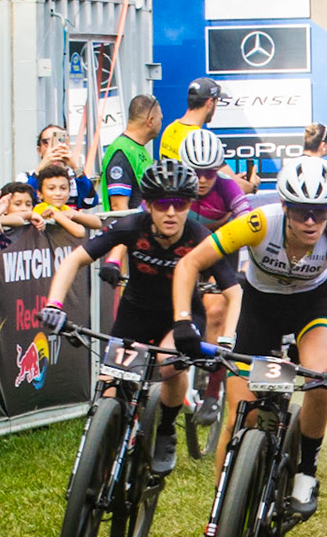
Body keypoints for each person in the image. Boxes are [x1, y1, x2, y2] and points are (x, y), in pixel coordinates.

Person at [173, 157, 327, 537]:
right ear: (284, 206)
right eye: (301, 211)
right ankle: (216, 524)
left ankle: (305, 469)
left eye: (319, 212)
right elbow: (190, 262)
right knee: (236, 418)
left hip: (313, 307)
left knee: (319, 378)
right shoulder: (257, 224)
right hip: (259, 308)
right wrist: (181, 322)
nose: (310, 220)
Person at [39, 160, 241, 475]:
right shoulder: (132, 227)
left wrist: (226, 339)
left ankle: (167, 430)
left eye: (181, 203)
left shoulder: (199, 237)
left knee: (170, 363)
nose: (171, 212)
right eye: (162, 203)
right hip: (136, 312)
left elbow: (233, 291)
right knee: (110, 386)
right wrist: (54, 304)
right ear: (147, 204)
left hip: (182, 318)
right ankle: (102, 458)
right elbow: (75, 260)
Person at [177, 129, 253, 226]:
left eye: (210, 173)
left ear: (218, 170)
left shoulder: (226, 185)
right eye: (196, 172)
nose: (202, 180)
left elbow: (247, 221)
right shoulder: (176, 183)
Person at [99, 95, 161, 213]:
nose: (161, 123)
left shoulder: (138, 149)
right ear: (151, 121)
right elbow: (118, 207)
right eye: (160, 119)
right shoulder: (121, 152)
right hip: (130, 229)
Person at [20, 125, 100, 211]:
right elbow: (23, 201)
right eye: (47, 142)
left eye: (60, 141)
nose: (54, 147)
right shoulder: (26, 177)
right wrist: (39, 170)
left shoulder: (75, 177)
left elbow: (90, 201)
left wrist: (76, 167)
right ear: (39, 150)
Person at [160, 78, 224, 161]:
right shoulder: (200, 139)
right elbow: (227, 173)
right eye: (216, 102)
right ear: (210, 103)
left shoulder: (169, 129)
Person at [31, 165, 95, 238]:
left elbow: (97, 223)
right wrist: (60, 215)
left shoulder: (64, 208)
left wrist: (74, 214)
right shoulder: (44, 208)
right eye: (51, 188)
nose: (58, 193)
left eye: (63, 188)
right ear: (40, 194)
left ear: (69, 192)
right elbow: (80, 232)